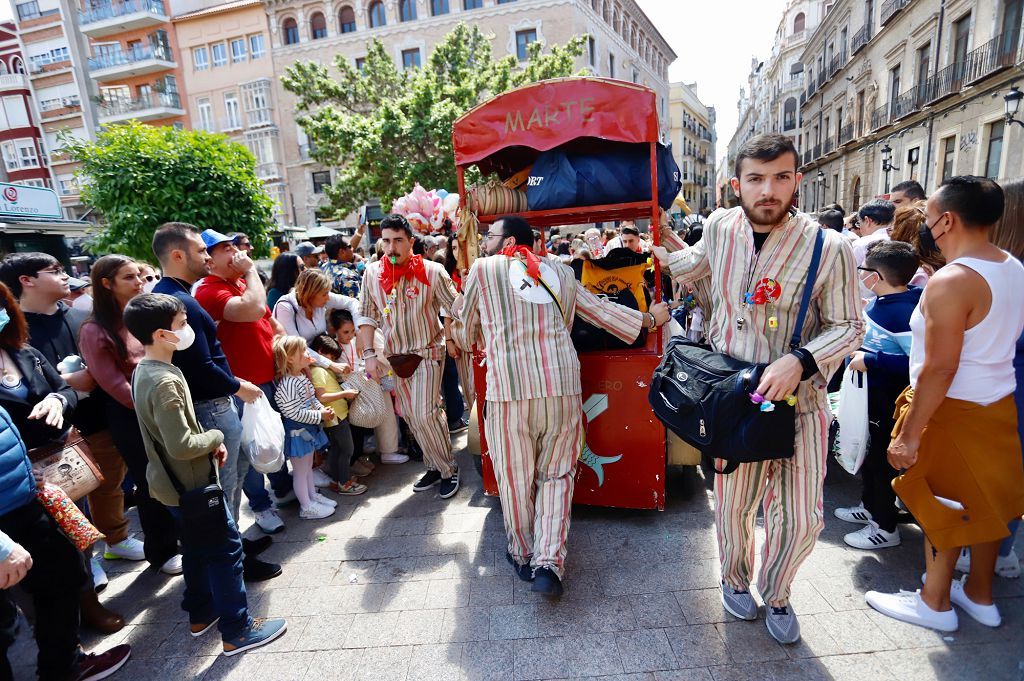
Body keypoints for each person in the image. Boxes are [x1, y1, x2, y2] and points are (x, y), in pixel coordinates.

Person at [652, 134, 863, 644]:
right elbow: (697, 266)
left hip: (800, 403)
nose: (768, 190)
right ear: (737, 183)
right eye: (756, 179)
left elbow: (850, 325)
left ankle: (779, 590)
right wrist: (656, 242)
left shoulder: (828, 246)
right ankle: (734, 580)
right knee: (732, 508)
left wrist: (801, 359)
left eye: (780, 178)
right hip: (731, 400)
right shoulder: (721, 226)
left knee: (802, 520)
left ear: (797, 180)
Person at [452, 216, 669, 598]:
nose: (484, 243)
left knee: (515, 478)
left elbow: (464, 330)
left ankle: (522, 554)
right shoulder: (562, 272)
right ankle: (549, 563)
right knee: (557, 475)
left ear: (509, 241)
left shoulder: (483, 271)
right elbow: (604, 314)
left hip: (510, 392)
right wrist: (651, 318)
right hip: (562, 387)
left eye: (490, 236)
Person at [866, 177, 1024, 632]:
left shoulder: (953, 280)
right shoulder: (1011, 266)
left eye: (930, 218)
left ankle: (934, 602)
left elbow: (939, 369)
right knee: (989, 500)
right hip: (996, 403)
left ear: (948, 220)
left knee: (941, 505)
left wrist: (910, 434)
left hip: (949, 409)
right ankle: (980, 594)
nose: (927, 228)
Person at [123, 292, 288, 655]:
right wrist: (214, 436)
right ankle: (238, 630)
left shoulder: (150, 370)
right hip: (193, 483)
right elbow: (181, 444)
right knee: (226, 551)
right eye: (182, 325)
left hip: (175, 484)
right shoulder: (164, 381)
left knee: (196, 549)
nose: (188, 331)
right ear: (163, 335)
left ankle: (201, 613)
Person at [151, 223, 289, 570]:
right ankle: (232, 566)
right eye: (202, 251)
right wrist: (235, 385)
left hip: (219, 400)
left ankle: (236, 548)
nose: (207, 257)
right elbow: (200, 363)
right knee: (223, 490)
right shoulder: (180, 300)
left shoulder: (181, 295)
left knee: (235, 480)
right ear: (178, 255)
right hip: (212, 405)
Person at [0, 253, 136, 598]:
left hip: (91, 423)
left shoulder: (78, 317)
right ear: (26, 281)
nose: (65, 277)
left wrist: (62, 395)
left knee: (107, 485)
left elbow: (60, 387)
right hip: (35, 451)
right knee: (69, 507)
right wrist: (68, 383)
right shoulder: (21, 334)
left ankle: (115, 539)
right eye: (54, 271)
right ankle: (88, 563)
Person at [0, 405, 132, 681]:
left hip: (19, 501)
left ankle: (64, 668)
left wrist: (25, 473)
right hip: (6, 521)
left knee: (64, 573)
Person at [78, 255, 183, 577]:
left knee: (175, 476)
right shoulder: (95, 330)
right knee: (151, 483)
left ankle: (180, 540)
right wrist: (159, 409)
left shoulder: (140, 318)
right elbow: (114, 385)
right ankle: (162, 550)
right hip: (133, 417)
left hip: (164, 408)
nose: (139, 282)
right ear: (106, 284)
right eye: (129, 277)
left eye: (139, 275)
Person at [358, 214, 461, 499]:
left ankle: (449, 469)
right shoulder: (371, 274)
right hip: (393, 357)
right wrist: (368, 354)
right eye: (387, 241)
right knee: (412, 418)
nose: (392, 248)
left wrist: (452, 337)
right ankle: (432, 464)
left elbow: (456, 307)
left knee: (425, 412)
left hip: (428, 351)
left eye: (398, 241)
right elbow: (366, 315)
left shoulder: (432, 271)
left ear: (411, 242)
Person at [835, 240, 922, 550]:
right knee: (869, 459)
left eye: (863, 270)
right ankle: (870, 507)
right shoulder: (885, 303)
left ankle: (884, 527)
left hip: (887, 407)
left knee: (880, 464)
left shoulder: (903, 314)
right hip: (869, 402)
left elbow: (917, 365)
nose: (861, 275)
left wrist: (870, 360)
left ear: (877, 276)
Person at [328, 308, 405, 469]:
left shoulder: (357, 340)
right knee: (362, 422)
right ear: (335, 331)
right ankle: (378, 452)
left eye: (352, 331)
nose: (350, 335)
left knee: (377, 415)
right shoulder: (336, 347)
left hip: (366, 381)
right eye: (345, 332)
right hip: (354, 387)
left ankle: (381, 450)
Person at [272, 335, 337, 519]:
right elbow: (293, 412)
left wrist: (321, 408)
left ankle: (312, 497)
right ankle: (306, 506)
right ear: (290, 358)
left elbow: (311, 399)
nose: (307, 353)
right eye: (303, 351)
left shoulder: (300, 376)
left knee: (307, 468)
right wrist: (319, 414)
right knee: (300, 472)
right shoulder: (288, 383)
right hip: (298, 434)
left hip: (307, 430)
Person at [308, 334, 366, 495]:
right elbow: (321, 397)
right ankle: (344, 482)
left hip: (335, 416)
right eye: (330, 356)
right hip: (335, 417)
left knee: (336, 450)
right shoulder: (318, 371)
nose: (332, 360)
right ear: (320, 352)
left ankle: (338, 479)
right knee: (347, 449)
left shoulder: (320, 370)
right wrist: (344, 394)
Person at [274, 269, 362, 344]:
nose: (328, 298)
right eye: (324, 294)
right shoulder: (285, 308)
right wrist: (329, 364)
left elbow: (353, 302)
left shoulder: (320, 299)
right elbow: (295, 347)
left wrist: (359, 332)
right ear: (311, 294)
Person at [890, 203, 944, 287]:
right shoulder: (948, 262)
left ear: (901, 233)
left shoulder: (917, 274)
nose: (890, 232)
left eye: (893, 228)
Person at [852, 199, 896, 266]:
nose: (859, 228)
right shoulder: (901, 239)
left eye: (859, 223)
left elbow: (851, 272)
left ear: (867, 220)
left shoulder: (860, 244)